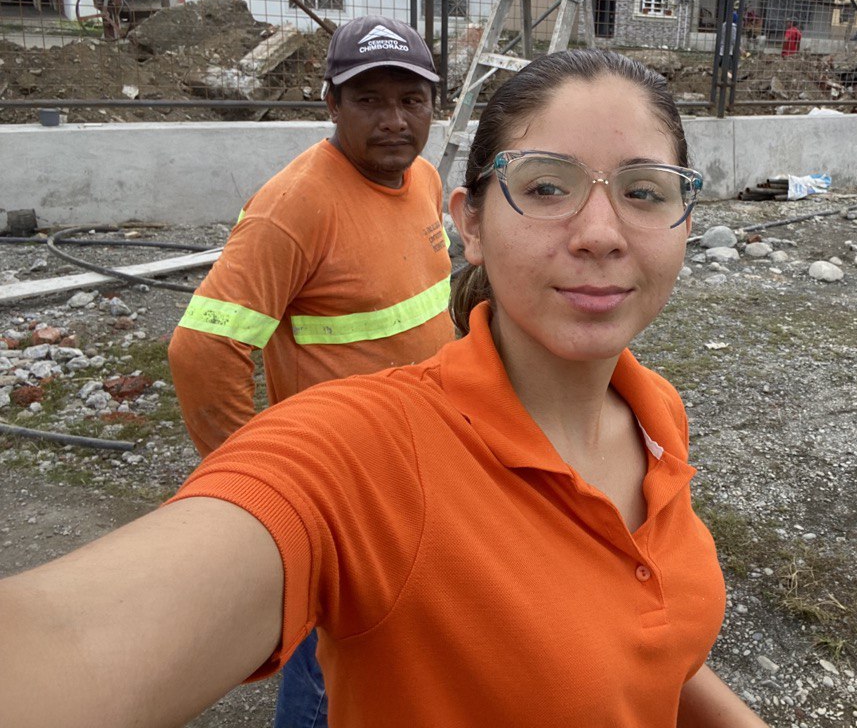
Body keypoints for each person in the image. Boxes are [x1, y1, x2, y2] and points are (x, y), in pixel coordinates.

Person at [0, 49, 770, 728]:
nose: (600, 232)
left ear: (685, 220)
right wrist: (255, 485)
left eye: (644, 191)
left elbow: (650, 654)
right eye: (544, 187)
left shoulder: (655, 412)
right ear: (472, 227)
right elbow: (73, 647)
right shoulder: (361, 462)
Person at [167, 13, 454, 728]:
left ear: (434, 104)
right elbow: (202, 349)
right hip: (342, 486)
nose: (394, 120)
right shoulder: (294, 207)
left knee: (392, 639)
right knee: (328, 658)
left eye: (411, 100)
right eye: (369, 100)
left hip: (420, 463)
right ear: (331, 103)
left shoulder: (421, 177)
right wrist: (264, 486)